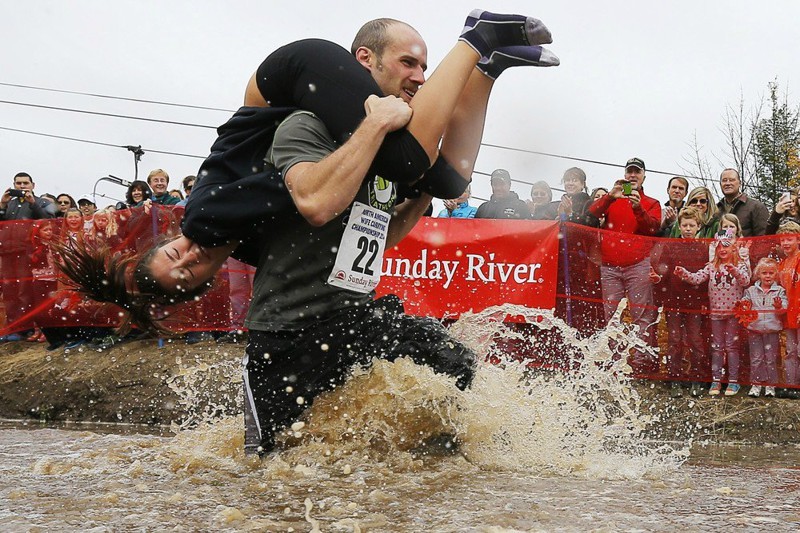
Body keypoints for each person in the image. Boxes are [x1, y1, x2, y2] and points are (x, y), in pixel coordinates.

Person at [57, 9, 560, 331]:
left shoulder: (205, 217)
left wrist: (386, 162)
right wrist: (417, 193)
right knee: (447, 180)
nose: (190, 252)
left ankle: (476, 37)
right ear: (211, 278)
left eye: (174, 252)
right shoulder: (252, 244)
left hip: (288, 76)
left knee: (404, 158)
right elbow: (359, 212)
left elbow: (315, 197)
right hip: (312, 111)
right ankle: (489, 68)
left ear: (169, 237)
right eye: (190, 270)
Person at [239, 15, 561, 454]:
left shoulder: (394, 145)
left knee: (457, 370)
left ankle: (486, 67)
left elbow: (384, 233)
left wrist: (424, 193)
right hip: (287, 332)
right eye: (409, 63)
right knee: (267, 467)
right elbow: (315, 203)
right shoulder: (307, 124)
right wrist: (375, 131)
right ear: (365, 60)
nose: (420, 78)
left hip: (356, 319)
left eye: (425, 68)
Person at [587, 157, 661, 372]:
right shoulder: (614, 199)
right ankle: (615, 363)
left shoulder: (651, 203)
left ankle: (641, 363)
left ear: (644, 176)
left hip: (638, 265)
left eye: (637, 172)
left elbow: (653, 230)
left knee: (642, 315)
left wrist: (638, 208)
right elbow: (591, 215)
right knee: (612, 316)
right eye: (629, 172)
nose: (632, 176)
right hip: (610, 267)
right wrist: (610, 197)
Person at [676, 228, 751, 396]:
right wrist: (684, 274)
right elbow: (697, 278)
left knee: (732, 347)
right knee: (717, 347)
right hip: (716, 314)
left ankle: (733, 381)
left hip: (733, 314)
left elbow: (746, 281)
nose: (723, 249)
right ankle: (716, 380)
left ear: (734, 248)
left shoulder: (739, 264)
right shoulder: (711, 267)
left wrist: (735, 271)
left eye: (726, 246)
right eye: (719, 246)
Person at [649, 207, 709, 397]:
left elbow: (706, 277)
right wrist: (658, 281)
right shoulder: (671, 246)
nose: (688, 228)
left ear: (698, 227)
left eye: (692, 225)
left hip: (695, 304)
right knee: (674, 340)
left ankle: (696, 377)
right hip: (674, 301)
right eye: (685, 225)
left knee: (695, 340)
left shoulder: (703, 248)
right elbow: (663, 273)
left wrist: (705, 301)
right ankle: (675, 377)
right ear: (679, 226)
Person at [741, 257, 786, 398]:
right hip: (755, 329)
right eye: (764, 273)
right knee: (756, 358)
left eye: (771, 273)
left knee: (771, 358)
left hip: (772, 330)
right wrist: (743, 305)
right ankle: (756, 384)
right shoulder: (751, 290)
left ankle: (770, 385)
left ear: (775, 275)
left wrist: (779, 306)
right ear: (758, 274)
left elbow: (784, 308)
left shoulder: (779, 291)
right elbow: (744, 303)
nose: (767, 276)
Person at [776, 222, 800, 399]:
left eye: (789, 239)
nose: (785, 243)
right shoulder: (782, 263)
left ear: (798, 239)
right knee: (790, 350)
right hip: (788, 313)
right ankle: (791, 384)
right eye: (783, 239)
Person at [716, 168, 769, 237]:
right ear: (720, 184)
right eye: (724, 180)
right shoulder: (716, 209)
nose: (728, 183)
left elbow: (764, 237)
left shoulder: (756, 207)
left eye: (732, 180)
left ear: (740, 183)